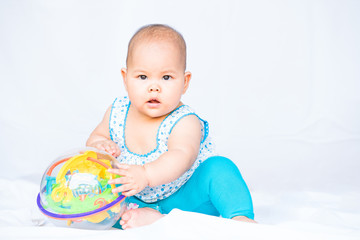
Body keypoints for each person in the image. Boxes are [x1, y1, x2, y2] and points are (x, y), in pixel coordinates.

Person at [86, 24, 255, 230]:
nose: (154, 87)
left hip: (186, 198)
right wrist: (101, 144)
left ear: (185, 82)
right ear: (125, 78)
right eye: (142, 77)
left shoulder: (185, 120)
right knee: (105, 202)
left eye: (166, 77)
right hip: (133, 199)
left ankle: (240, 217)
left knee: (219, 168)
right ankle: (150, 217)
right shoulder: (117, 111)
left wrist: (146, 175)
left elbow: (182, 155)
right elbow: (96, 137)